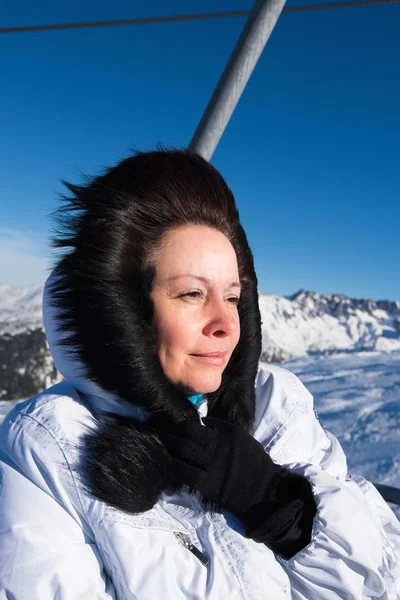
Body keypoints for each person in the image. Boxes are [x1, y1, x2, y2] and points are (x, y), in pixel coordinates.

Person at [0, 149, 399, 599]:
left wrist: (284, 508)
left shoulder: (276, 405)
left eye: (232, 298)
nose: (227, 324)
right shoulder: (45, 448)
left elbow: (383, 575)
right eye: (192, 293)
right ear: (125, 311)